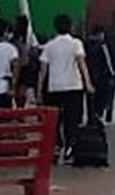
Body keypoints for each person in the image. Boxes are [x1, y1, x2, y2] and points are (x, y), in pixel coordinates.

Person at [39, 13, 92, 159]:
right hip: (73, 86)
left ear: (55, 28)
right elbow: (81, 64)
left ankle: (56, 146)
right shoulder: (76, 43)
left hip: (54, 86)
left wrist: (39, 90)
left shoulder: (49, 46)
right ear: (70, 27)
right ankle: (70, 146)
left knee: (55, 120)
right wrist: (88, 83)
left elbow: (43, 70)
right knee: (72, 118)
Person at [84, 25, 115, 124]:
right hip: (102, 76)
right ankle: (98, 116)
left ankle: (90, 118)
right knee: (101, 97)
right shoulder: (102, 45)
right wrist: (112, 73)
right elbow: (108, 61)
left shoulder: (86, 44)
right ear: (100, 34)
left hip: (89, 74)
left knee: (90, 98)